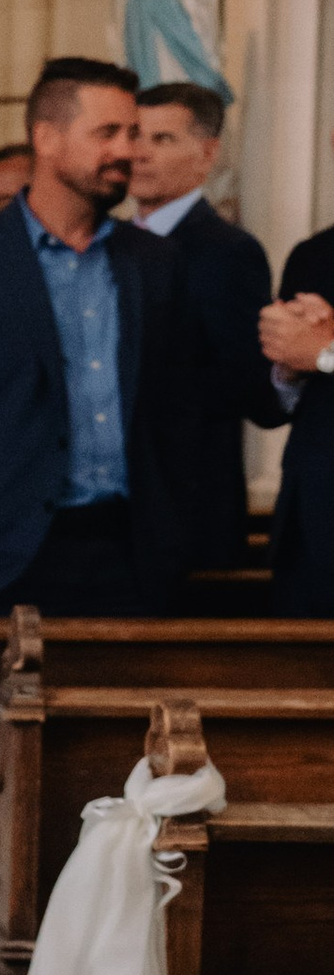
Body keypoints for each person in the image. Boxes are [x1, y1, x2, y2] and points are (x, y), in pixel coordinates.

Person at [0, 61, 189, 616]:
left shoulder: (154, 261)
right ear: (47, 140)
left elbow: (179, 410)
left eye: (134, 134)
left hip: (133, 557)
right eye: (108, 133)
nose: (129, 150)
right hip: (4, 555)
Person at [127, 81, 277, 577]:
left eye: (162, 139)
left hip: (189, 509)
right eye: (134, 136)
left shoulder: (226, 251)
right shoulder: (105, 245)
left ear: (207, 153)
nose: (140, 154)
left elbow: (246, 381)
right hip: (112, 514)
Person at [259, 226, 334, 613]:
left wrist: (326, 354)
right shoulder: (316, 254)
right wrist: (288, 368)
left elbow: (324, 352)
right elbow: (275, 405)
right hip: (312, 528)